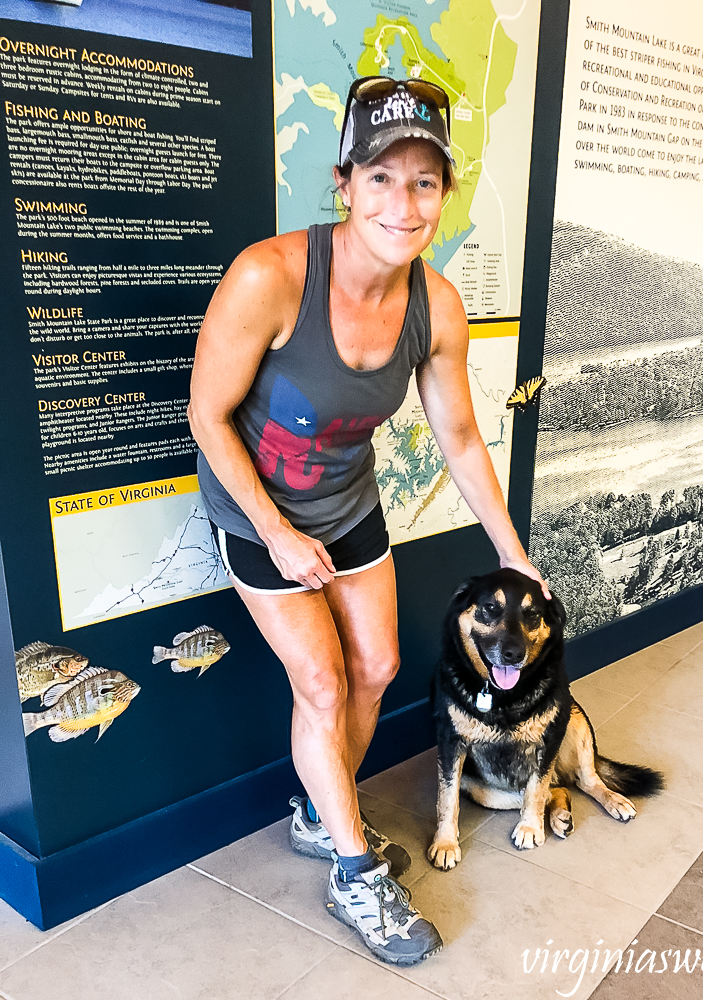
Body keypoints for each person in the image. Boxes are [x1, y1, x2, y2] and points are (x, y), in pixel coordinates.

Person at [187, 76, 547, 966]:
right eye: (381, 177)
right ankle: (353, 868)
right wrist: (273, 531)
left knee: (376, 666)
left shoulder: (438, 304)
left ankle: (318, 810)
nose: (403, 201)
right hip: (257, 512)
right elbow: (206, 416)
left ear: (445, 195)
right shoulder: (268, 277)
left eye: (423, 181)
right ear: (344, 183)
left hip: (347, 505)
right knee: (320, 683)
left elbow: (459, 436)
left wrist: (513, 552)